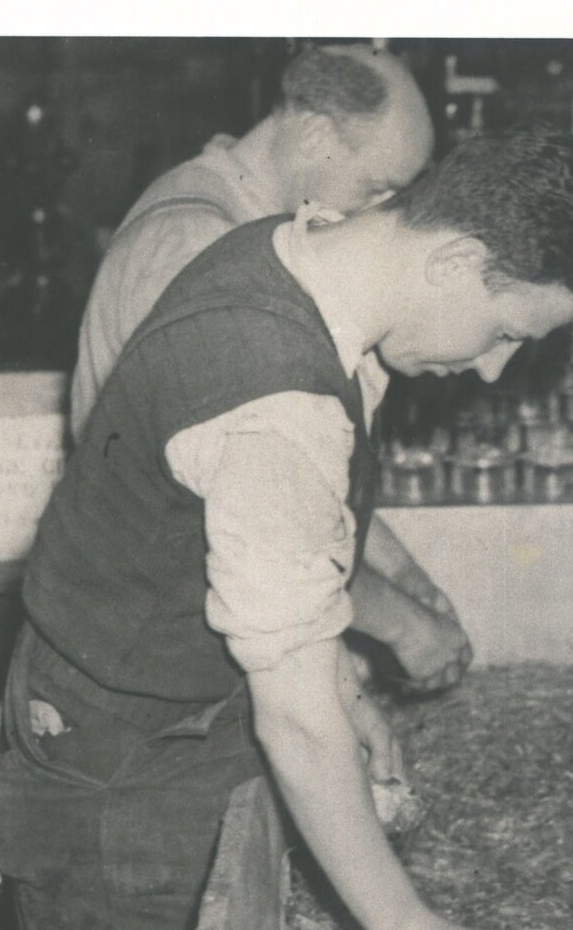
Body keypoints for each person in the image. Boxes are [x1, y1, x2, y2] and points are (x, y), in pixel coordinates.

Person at [0, 128, 573, 930]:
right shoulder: (275, 404)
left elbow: (277, 580)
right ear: (456, 258)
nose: (492, 368)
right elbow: (290, 717)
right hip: (115, 769)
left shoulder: (300, 253)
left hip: (153, 704)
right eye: (507, 330)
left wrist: (341, 677)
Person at [73, 41, 472, 697]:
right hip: (148, 654)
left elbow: (284, 471)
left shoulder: (241, 216)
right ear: (313, 134)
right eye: (377, 189)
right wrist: (405, 626)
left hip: (187, 623)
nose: (382, 220)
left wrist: (395, 567)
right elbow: (239, 516)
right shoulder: (196, 248)